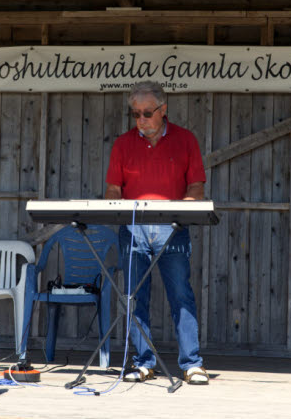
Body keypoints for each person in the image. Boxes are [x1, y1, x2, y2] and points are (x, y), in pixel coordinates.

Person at [105, 81, 209, 385]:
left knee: (181, 295)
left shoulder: (185, 140)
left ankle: (192, 364)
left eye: (147, 113)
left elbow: (196, 187)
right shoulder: (123, 144)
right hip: (133, 228)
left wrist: (181, 212)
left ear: (163, 110)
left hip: (172, 229)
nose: (141, 119)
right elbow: (113, 188)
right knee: (135, 297)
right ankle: (143, 363)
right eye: (135, 114)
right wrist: (116, 207)